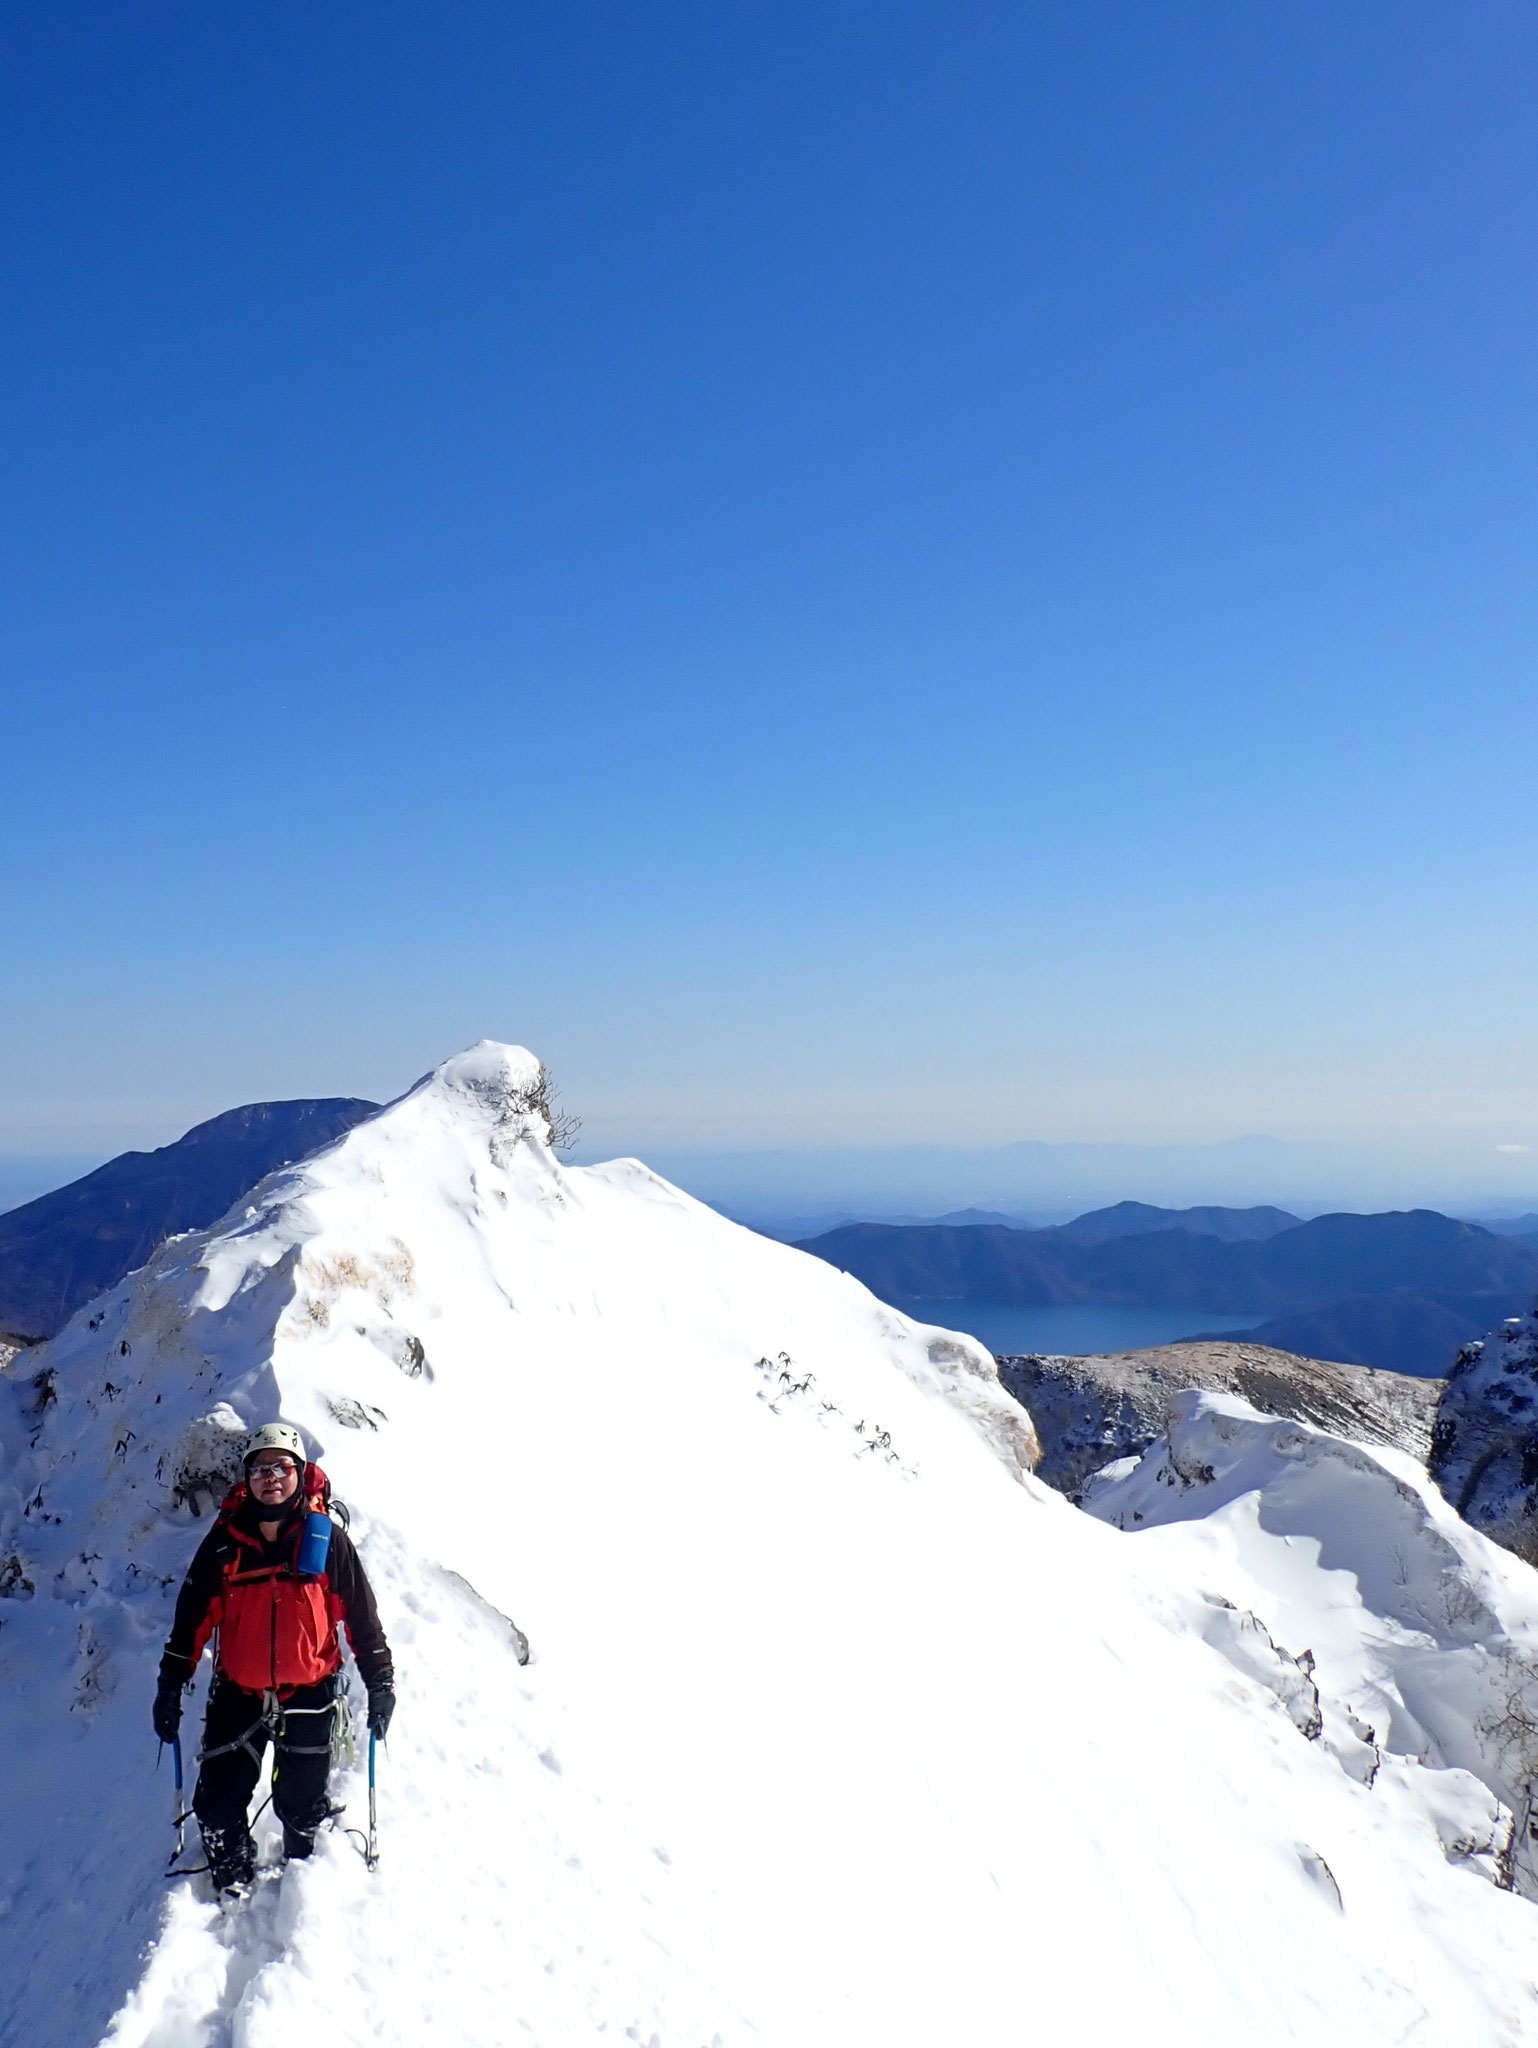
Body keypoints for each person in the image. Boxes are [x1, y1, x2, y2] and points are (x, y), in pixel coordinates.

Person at [152, 1422, 395, 1894]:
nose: (271, 1478)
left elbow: (361, 1618)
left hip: (310, 1688)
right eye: (260, 1468)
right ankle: (233, 1883)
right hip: (238, 1691)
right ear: (247, 1479)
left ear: (300, 1474)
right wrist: (169, 1684)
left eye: (281, 1467)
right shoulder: (224, 1545)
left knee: (302, 1804)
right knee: (217, 1806)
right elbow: (191, 1623)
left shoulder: (326, 1543)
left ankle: (300, 1886)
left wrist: (380, 1679)